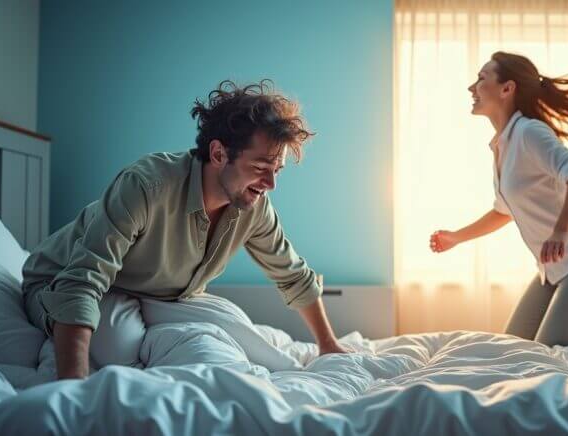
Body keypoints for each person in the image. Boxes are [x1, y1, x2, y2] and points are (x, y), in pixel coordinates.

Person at [22, 80, 347, 379]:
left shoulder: (254, 205)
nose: (271, 183)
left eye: (277, 170)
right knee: (120, 346)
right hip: (64, 281)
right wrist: (73, 388)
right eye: (261, 168)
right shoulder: (146, 185)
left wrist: (328, 344)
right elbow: (82, 282)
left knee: (248, 339)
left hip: (163, 294)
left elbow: (292, 274)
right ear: (219, 153)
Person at [429, 52, 568, 346]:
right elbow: (503, 212)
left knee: (542, 357)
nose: (472, 88)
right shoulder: (504, 144)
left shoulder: (529, 132)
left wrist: (561, 231)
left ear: (507, 88)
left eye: (481, 79)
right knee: (513, 349)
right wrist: (457, 237)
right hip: (553, 268)